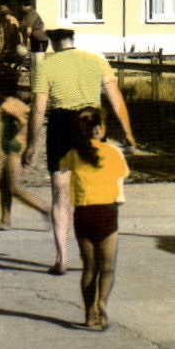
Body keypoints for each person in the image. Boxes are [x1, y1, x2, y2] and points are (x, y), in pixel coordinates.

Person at [25, 26, 134, 275]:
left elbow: (38, 109)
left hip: (61, 125)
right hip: (91, 124)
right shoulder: (96, 61)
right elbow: (116, 98)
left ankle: (62, 259)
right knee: (93, 192)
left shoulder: (46, 67)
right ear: (73, 40)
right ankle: (96, 256)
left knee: (60, 193)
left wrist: (31, 144)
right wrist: (127, 133)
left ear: (53, 43)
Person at [59, 108, 129, 330]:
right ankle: (102, 303)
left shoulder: (73, 155)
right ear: (100, 129)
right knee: (107, 266)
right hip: (107, 212)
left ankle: (89, 316)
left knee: (89, 268)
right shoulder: (113, 152)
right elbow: (123, 174)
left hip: (84, 214)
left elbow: (62, 167)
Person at [0, 94, 50, 230]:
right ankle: (5, 221)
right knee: (3, 185)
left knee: (12, 187)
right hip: (15, 147)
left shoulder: (10, 105)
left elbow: (22, 121)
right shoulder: (17, 104)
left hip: (16, 149)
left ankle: (44, 208)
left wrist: (15, 126)